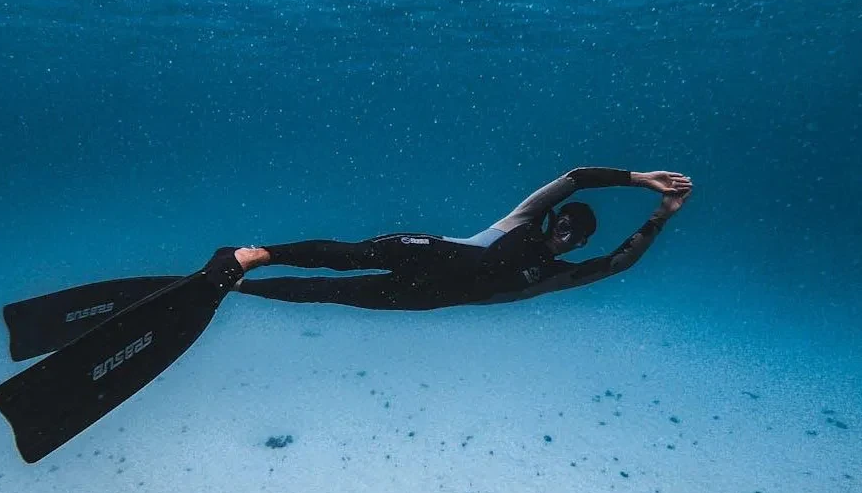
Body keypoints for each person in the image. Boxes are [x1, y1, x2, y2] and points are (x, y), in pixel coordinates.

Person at [230, 167, 692, 310]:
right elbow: (574, 178)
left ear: (583, 244)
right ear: (554, 222)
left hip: (428, 295)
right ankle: (259, 255)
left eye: (580, 235)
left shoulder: (560, 276)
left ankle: (239, 286)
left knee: (333, 293)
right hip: (430, 251)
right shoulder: (524, 221)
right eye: (566, 224)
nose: (570, 236)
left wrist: (662, 214)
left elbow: (619, 263)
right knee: (351, 255)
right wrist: (640, 179)